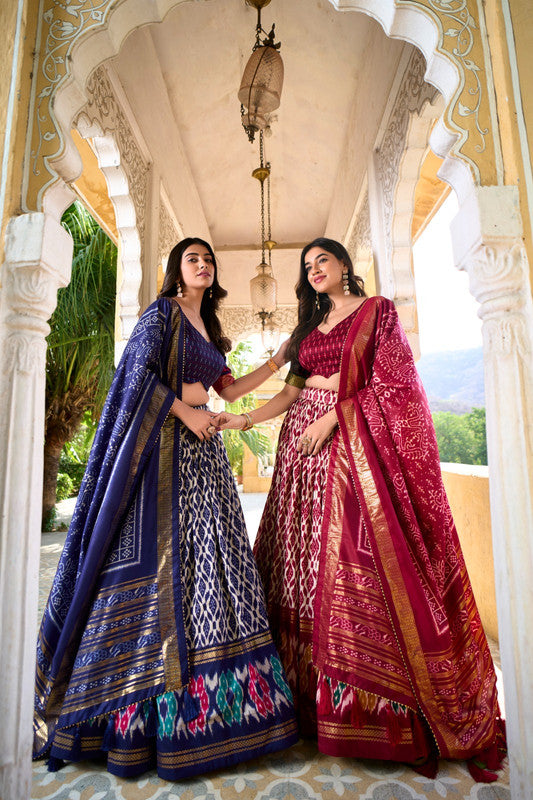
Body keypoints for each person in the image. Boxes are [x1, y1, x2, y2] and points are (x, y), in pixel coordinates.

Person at [216, 237, 506, 781]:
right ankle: (303, 703)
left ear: (345, 264)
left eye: (322, 260)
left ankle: (366, 710)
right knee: (297, 572)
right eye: (308, 266)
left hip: (349, 449)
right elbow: (286, 393)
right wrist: (245, 420)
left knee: (347, 564)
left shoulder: (378, 313)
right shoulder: (307, 329)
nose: (315, 270)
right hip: (299, 452)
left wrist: (336, 416)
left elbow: (396, 387)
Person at [33, 237, 298, 780]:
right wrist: (183, 410)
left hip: (206, 457)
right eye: (191, 258)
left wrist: (279, 358)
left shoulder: (210, 330)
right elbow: (135, 377)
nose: (201, 264)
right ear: (178, 270)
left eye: (207, 258)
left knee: (214, 574)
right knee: (169, 572)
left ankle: (223, 715)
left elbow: (228, 390)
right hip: (167, 455)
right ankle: (129, 713)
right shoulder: (162, 315)